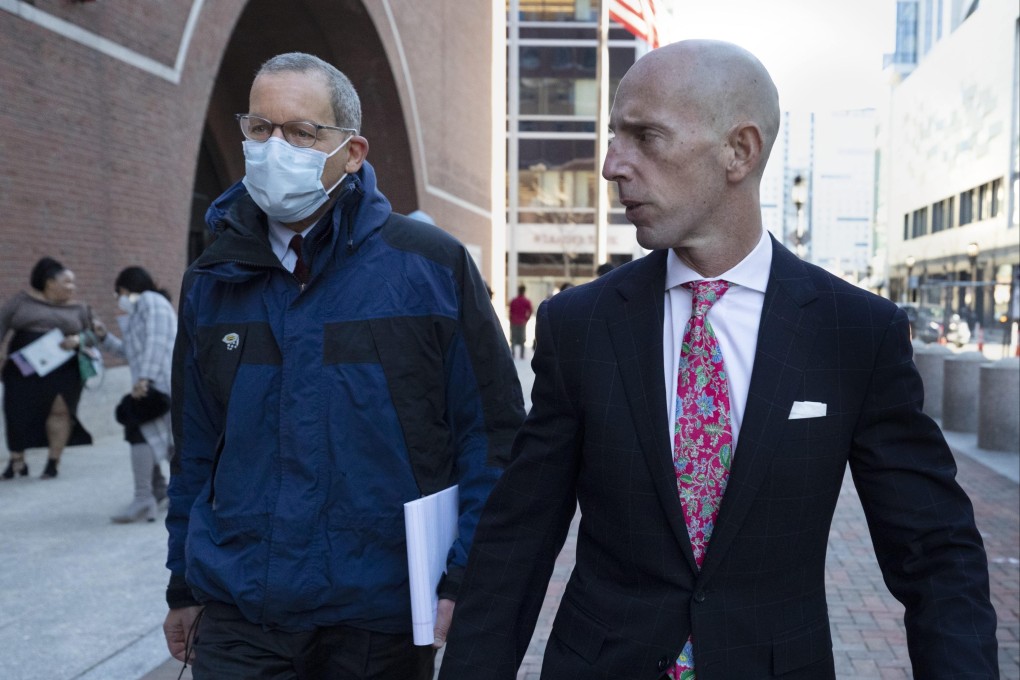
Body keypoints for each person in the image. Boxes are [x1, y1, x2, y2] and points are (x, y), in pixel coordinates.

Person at [439, 40, 998, 679]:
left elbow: (934, 552)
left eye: (645, 136)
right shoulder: (580, 325)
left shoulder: (854, 332)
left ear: (739, 151)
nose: (611, 165)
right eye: (614, 136)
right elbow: (519, 537)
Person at [162, 52, 524, 680]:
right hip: (243, 609)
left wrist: (466, 576)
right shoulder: (211, 279)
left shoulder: (431, 268)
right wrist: (182, 583)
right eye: (261, 129)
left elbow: (490, 436)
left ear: (353, 152)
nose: (276, 147)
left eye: (302, 132)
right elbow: (195, 446)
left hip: (378, 619)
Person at [0, 257, 97, 480]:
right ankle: (17, 460)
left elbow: (95, 336)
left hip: (65, 369)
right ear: (49, 282)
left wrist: (78, 340)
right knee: (16, 411)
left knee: (60, 411)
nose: (72, 287)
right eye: (67, 282)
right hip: (23, 366)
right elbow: (2, 324)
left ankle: (53, 462)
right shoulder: (21, 302)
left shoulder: (80, 308)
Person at [93, 267, 176, 523]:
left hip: (159, 384)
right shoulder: (142, 310)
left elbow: (157, 341)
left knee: (143, 434)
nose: (119, 299)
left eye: (119, 293)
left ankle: (145, 498)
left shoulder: (152, 301)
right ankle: (158, 490)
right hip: (153, 384)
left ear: (126, 289)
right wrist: (104, 338)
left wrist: (145, 379)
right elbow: (130, 351)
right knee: (145, 435)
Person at [508, 285, 533, 359]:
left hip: (514, 321)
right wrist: (526, 319)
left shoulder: (514, 300)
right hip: (522, 322)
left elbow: (510, 311)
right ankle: (522, 355)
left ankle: (513, 353)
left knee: (513, 339)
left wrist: (511, 320)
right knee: (522, 339)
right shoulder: (526, 301)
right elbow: (530, 310)